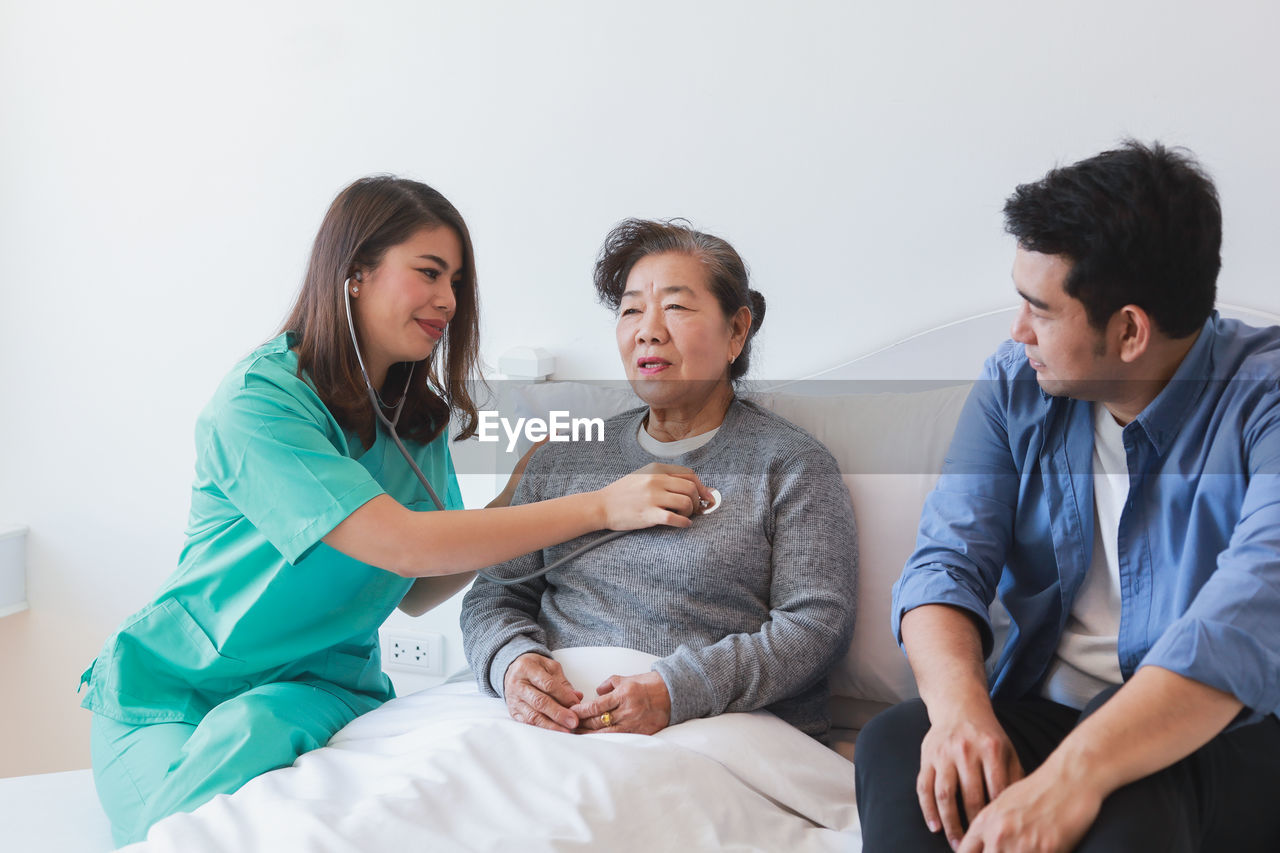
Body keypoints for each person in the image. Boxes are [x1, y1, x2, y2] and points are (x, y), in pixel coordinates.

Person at [79, 178, 714, 847]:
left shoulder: (415, 414)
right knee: (167, 828)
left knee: (260, 742)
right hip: (178, 684)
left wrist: (517, 491)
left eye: (458, 281)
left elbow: (419, 590)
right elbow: (404, 544)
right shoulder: (258, 401)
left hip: (317, 686)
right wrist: (598, 507)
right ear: (355, 273)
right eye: (429, 273)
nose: (448, 299)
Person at [854, 141, 1280, 852]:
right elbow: (943, 564)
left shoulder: (1262, 398)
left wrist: (1074, 776)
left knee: (1134, 788)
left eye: (1039, 310)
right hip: (1052, 712)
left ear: (1130, 330)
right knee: (902, 744)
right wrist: (960, 715)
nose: (1018, 331)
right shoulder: (1016, 383)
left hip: (1225, 731)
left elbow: (1246, 616)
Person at [461, 218, 856, 740]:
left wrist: (674, 691)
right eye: (630, 310)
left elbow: (815, 628)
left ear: (736, 330)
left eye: (675, 306)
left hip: (705, 728)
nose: (647, 328)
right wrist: (514, 664)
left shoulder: (790, 465)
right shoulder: (561, 459)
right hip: (545, 724)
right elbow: (494, 593)